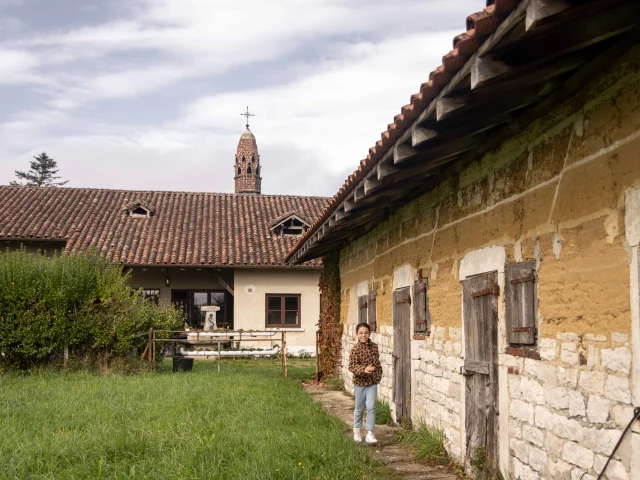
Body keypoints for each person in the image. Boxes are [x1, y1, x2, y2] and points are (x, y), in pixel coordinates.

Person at [348, 322, 382, 444]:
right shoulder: (355, 349)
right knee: (359, 407)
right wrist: (364, 369)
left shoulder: (374, 347)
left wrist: (377, 375)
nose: (363, 335)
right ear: (357, 334)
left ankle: (370, 433)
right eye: (361, 333)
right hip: (360, 383)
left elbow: (377, 363)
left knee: (371, 407)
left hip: (372, 382)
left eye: (366, 333)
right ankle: (357, 430)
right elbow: (351, 366)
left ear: (369, 333)